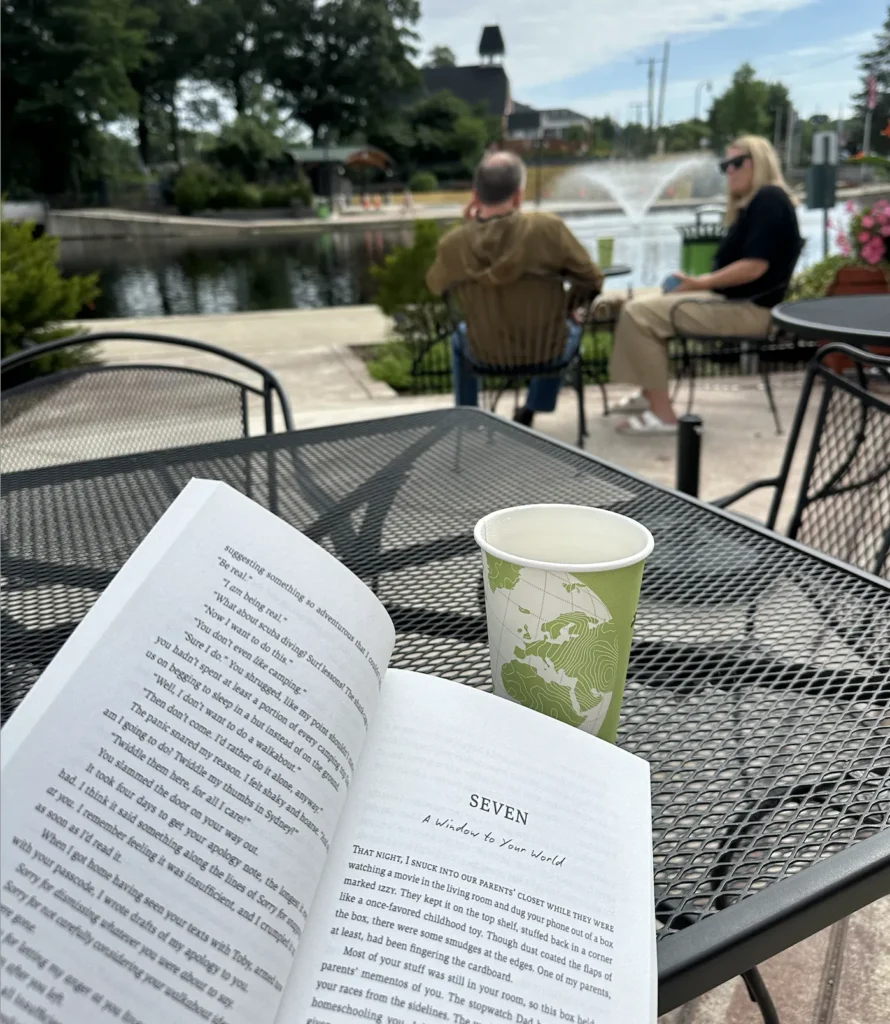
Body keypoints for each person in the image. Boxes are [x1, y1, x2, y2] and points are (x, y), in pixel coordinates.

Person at [609, 135, 801, 435]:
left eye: (736, 163)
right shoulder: (757, 204)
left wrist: (701, 282)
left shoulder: (769, 199)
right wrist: (694, 285)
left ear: (759, 161)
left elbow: (754, 266)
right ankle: (649, 395)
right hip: (738, 304)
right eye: (725, 165)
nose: (729, 171)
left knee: (640, 314)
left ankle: (663, 416)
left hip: (750, 311)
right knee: (644, 305)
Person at [426, 152, 603, 426]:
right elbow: (592, 278)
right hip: (547, 350)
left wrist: (467, 227)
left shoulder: (454, 244)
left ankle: (467, 416)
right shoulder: (549, 229)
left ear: (475, 194)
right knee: (566, 327)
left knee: (459, 338)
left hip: (485, 352)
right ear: (518, 197)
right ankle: (533, 408)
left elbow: (436, 286)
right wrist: (569, 307)